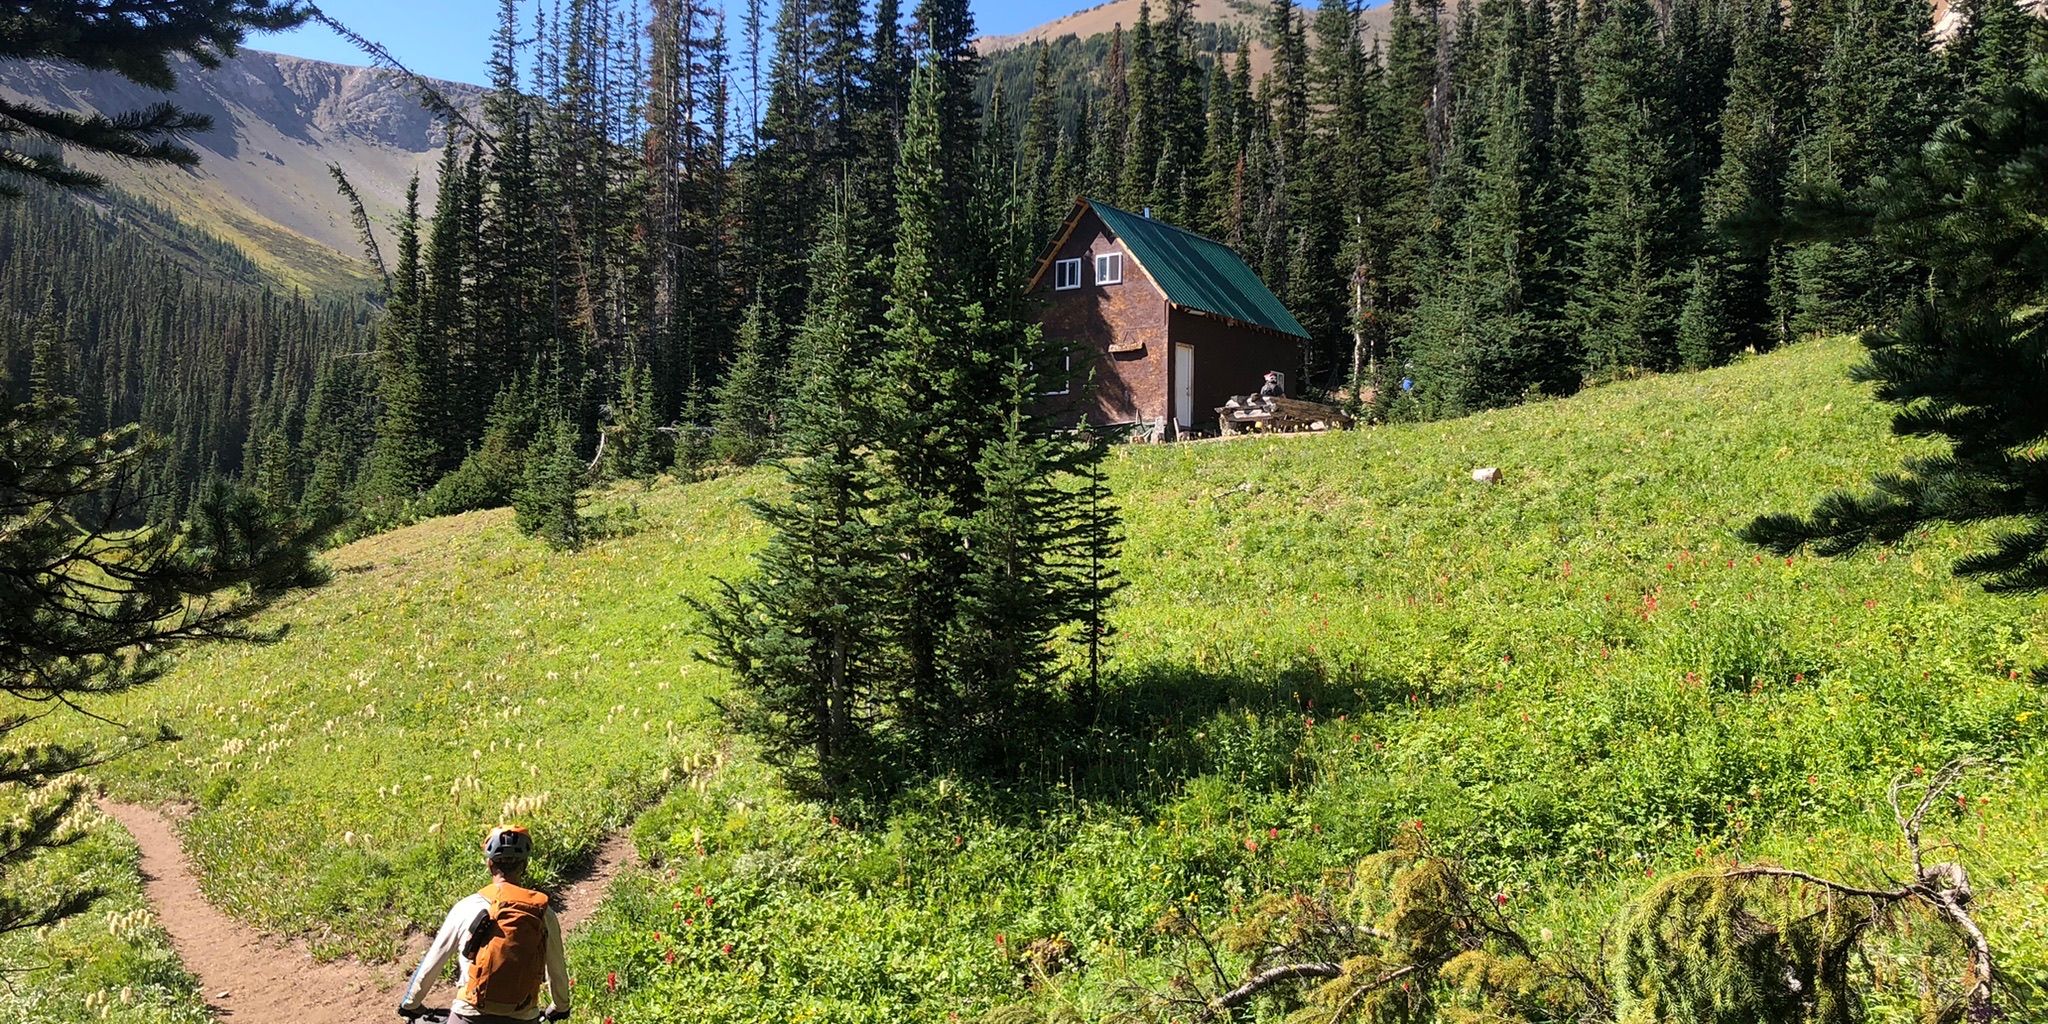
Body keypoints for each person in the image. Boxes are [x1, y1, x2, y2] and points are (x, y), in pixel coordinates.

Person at [400, 826, 571, 1023]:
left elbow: (433, 962)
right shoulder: (543, 912)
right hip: (523, 1017)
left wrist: (411, 1004)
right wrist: (560, 1006)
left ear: (490, 865)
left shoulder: (467, 907)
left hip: (469, 1014)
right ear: (524, 866)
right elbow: (557, 970)